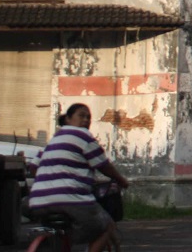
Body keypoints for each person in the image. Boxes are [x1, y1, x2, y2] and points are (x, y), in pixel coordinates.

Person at [28, 103, 130, 252]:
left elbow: (33, 167)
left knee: (66, 229)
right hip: (71, 200)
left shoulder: (52, 141)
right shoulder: (83, 136)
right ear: (68, 119)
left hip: (38, 202)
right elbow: (104, 166)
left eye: (88, 117)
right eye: (81, 115)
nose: (86, 120)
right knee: (107, 226)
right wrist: (122, 181)